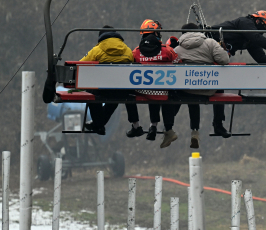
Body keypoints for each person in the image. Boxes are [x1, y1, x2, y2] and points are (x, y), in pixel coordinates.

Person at [208, 10, 266, 136]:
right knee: (217, 86)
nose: (263, 31)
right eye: (264, 27)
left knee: (219, 88)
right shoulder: (245, 22)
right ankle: (217, 125)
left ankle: (218, 125)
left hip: (216, 57)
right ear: (257, 21)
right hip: (207, 48)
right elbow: (256, 37)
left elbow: (261, 59)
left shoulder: (250, 40)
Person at [174, 22, 230, 148]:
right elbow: (224, 60)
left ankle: (185, 129)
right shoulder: (210, 43)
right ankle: (218, 124)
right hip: (209, 87)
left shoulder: (177, 49)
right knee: (219, 87)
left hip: (187, 89)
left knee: (188, 93)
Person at [127, 19, 180, 148]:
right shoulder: (166, 50)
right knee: (165, 91)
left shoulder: (136, 52)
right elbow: (179, 62)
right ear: (156, 33)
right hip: (164, 91)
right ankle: (165, 128)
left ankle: (140, 125)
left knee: (129, 93)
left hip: (142, 91)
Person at [78, 26, 134, 134]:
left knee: (92, 93)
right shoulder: (127, 50)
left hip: (102, 89)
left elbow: (80, 65)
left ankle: (98, 125)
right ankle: (99, 124)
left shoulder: (97, 50)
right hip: (122, 90)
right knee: (116, 97)